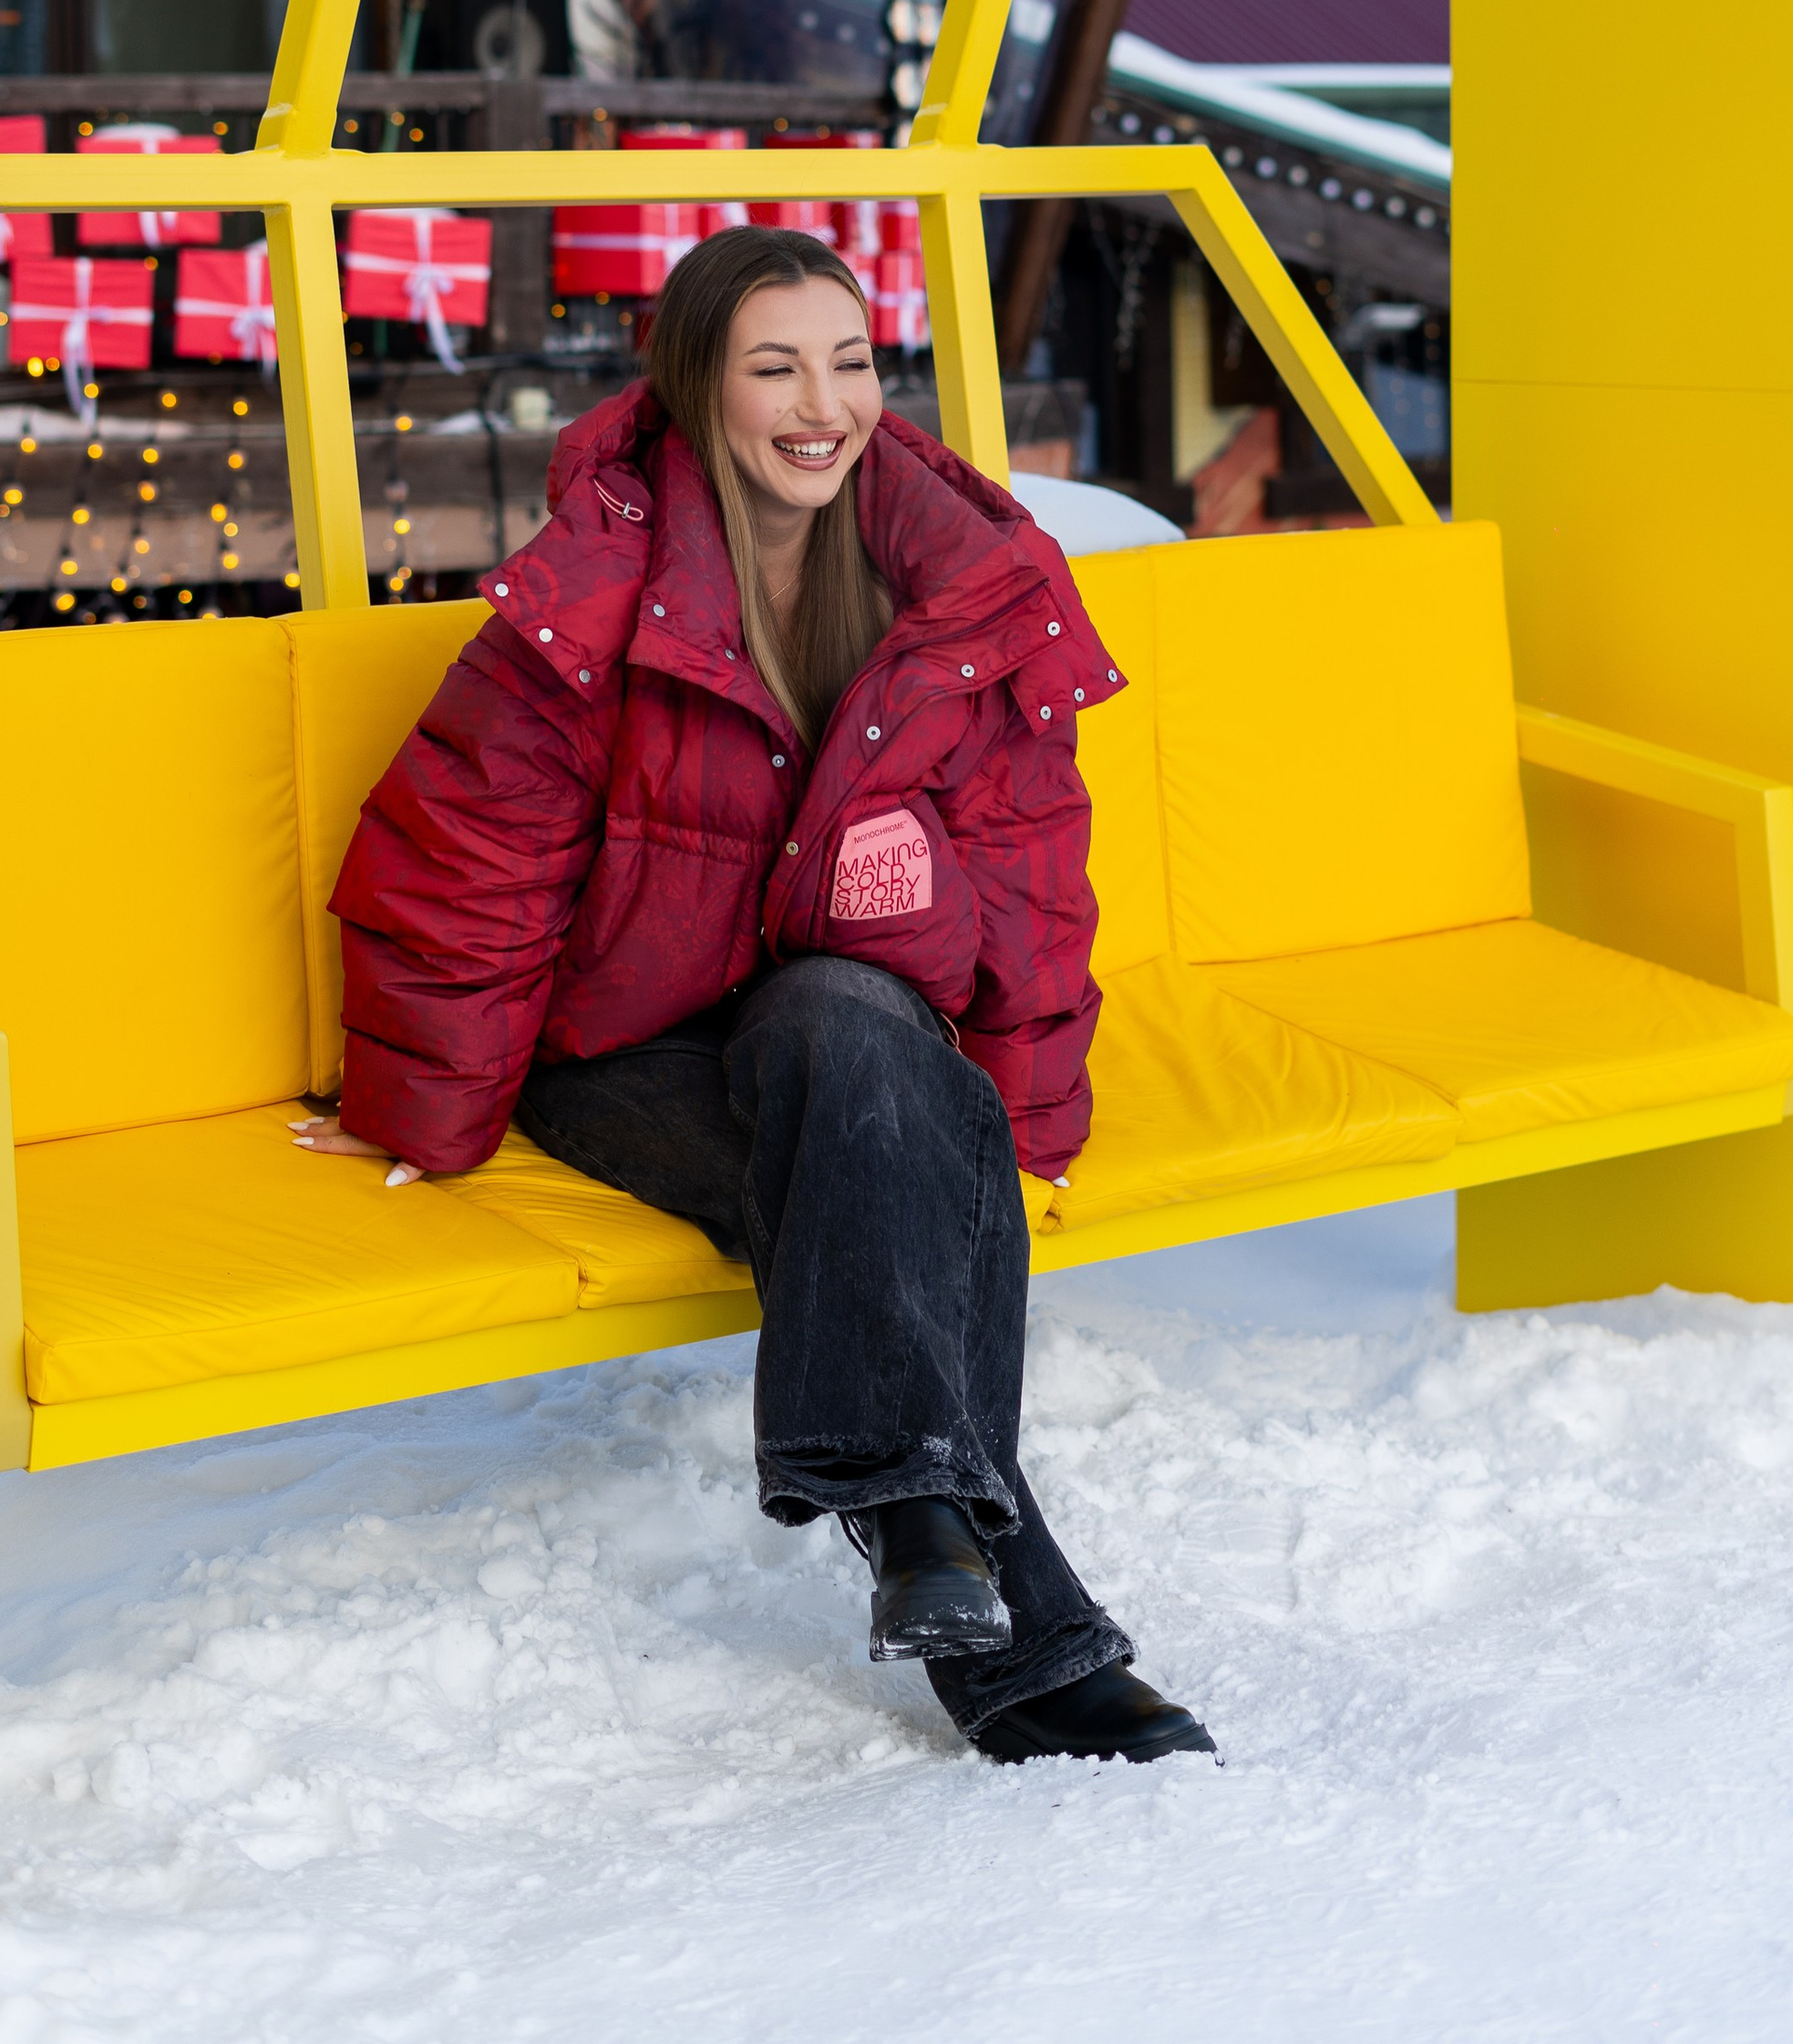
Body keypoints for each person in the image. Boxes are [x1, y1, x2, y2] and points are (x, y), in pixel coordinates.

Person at [295, 225, 1213, 1768]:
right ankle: (998, 1616)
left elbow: (1027, 863)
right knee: (913, 1177)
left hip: (852, 1034)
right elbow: (473, 852)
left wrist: (1023, 1114)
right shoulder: (597, 591)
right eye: (774, 367)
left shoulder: (958, 591)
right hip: (629, 1048)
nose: (822, 404)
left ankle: (939, 1546)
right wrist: (424, 1110)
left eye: (850, 362)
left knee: (872, 1056)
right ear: (694, 388)